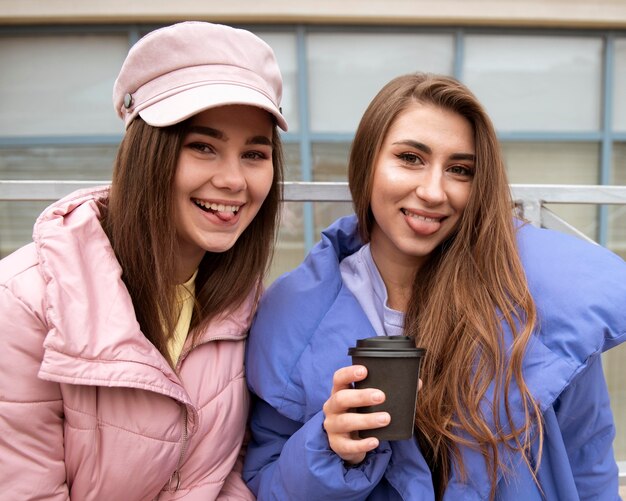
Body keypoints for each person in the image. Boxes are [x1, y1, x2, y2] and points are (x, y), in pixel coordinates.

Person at [243, 73, 626, 500]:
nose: (433, 191)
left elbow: (589, 462)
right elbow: (267, 482)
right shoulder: (291, 314)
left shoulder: (546, 298)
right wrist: (329, 447)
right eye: (410, 158)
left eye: (460, 170)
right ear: (367, 162)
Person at [0, 21, 287, 499]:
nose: (234, 180)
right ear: (145, 152)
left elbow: (232, 470)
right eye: (203, 147)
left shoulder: (246, 301)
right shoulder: (24, 303)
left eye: (254, 154)